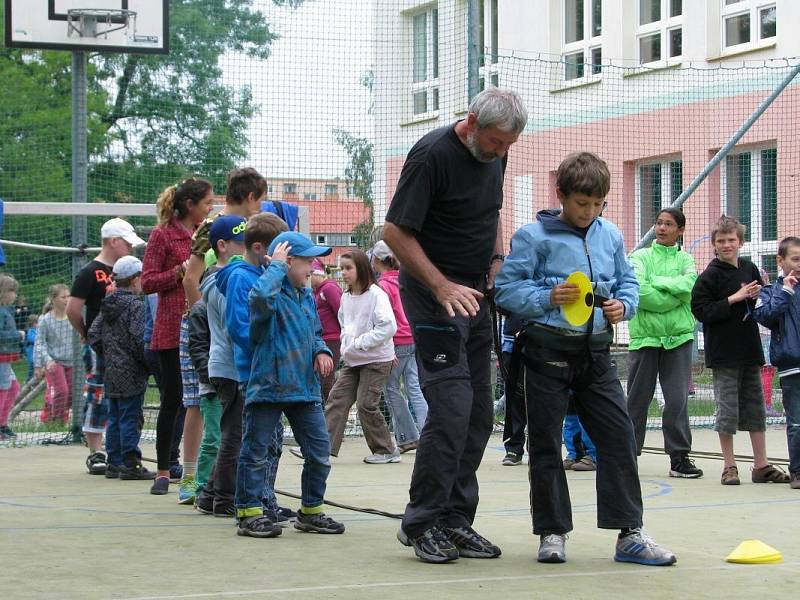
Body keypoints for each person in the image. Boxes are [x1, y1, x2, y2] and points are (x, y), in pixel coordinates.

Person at [495, 151, 676, 567]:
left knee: (619, 437)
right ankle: (552, 532)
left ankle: (629, 534)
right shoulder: (532, 236)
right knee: (544, 446)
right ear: (561, 194)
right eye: (581, 203)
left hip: (596, 355)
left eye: (598, 205)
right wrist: (545, 297)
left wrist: (624, 307)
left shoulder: (610, 234)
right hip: (545, 354)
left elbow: (628, 281)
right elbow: (504, 292)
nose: (589, 212)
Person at [383, 88, 526, 563]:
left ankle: (455, 520)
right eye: (496, 142)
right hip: (434, 296)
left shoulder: (494, 156)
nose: (500, 152)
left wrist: (498, 260)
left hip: (476, 296)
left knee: (479, 414)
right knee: (449, 408)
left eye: (508, 145)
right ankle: (422, 521)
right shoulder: (430, 156)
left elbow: (492, 214)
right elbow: (394, 232)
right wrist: (442, 286)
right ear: (471, 121)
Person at [235, 231, 344, 537]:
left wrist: (321, 350)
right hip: (269, 386)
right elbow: (258, 298)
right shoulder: (268, 295)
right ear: (287, 261)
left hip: (303, 389)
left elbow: (316, 333)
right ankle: (249, 513)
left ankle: (310, 512)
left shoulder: (305, 295)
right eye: (307, 260)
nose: (313, 267)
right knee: (256, 451)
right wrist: (276, 268)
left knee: (319, 450)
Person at [691, 216, 789, 486]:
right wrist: (735, 298)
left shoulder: (750, 268)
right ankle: (729, 465)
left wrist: (760, 296)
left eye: (731, 240)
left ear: (740, 242)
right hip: (723, 354)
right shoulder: (709, 276)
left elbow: (760, 304)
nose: (726, 245)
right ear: (714, 244)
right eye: (721, 241)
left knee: (755, 409)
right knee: (727, 411)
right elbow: (701, 311)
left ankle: (761, 465)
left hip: (750, 350)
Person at [215, 212, 294, 523]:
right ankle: (252, 504)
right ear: (261, 248)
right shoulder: (239, 278)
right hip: (255, 373)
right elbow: (239, 327)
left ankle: (266, 500)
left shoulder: (263, 274)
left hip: (273, 372)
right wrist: (266, 351)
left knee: (274, 442)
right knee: (258, 443)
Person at [142, 178, 214, 495]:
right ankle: (163, 469)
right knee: (173, 400)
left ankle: (194, 468)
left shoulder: (208, 233)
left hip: (202, 327)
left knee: (199, 401)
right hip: (171, 328)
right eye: (206, 203)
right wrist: (179, 272)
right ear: (189, 205)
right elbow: (146, 282)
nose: (210, 208)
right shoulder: (162, 234)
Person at [626, 208, 703, 479]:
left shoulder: (686, 259)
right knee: (636, 400)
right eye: (658, 222)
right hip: (645, 338)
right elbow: (640, 292)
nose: (661, 228)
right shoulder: (640, 257)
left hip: (679, 339)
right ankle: (627, 456)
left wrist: (658, 284)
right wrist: (673, 292)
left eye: (668, 224)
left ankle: (679, 457)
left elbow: (691, 287)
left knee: (677, 400)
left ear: (680, 230)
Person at [67, 217, 144, 474]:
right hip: (101, 344)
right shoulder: (90, 272)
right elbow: (73, 309)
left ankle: (117, 452)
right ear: (113, 241)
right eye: (126, 243)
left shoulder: (126, 271)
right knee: (99, 394)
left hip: (122, 349)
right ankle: (96, 451)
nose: (131, 248)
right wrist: (87, 334)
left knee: (118, 399)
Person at [194, 215, 251, 517]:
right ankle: (225, 499)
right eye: (241, 244)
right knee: (234, 434)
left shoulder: (222, 277)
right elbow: (236, 325)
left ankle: (210, 495)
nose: (247, 249)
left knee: (233, 430)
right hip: (230, 365)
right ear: (223, 245)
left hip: (226, 364)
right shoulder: (222, 281)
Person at [324, 249, 398, 463]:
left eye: (348, 268)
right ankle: (322, 448)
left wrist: (360, 343)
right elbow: (344, 325)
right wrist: (348, 347)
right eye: (342, 268)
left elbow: (388, 326)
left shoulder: (376, 294)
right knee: (337, 399)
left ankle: (385, 450)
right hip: (353, 360)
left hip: (376, 360)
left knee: (367, 403)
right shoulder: (346, 297)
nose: (344, 273)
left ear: (362, 269)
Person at [87, 256, 153, 480]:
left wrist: (109, 354)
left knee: (114, 416)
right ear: (134, 280)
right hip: (132, 371)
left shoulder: (108, 304)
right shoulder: (135, 306)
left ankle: (113, 463)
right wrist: (147, 363)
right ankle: (130, 463)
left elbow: (94, 334)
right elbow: (138, 339)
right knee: (130, 417)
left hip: (111, 371)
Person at [183, 167, 267, 308]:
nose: (262, 206)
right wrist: (203, 322)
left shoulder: (247, 224)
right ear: (251, 197)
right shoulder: (212, 227)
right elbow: (191, 279)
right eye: (261, 200)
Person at [372, 240, 428, 451]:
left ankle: (407, 436)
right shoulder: (406, 281)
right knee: (414, 388)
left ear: (377, 260)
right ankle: (426, 432)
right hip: (413, 339)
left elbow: (383, 320)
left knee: (392, 388)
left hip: (396, 343)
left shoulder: (383, 287)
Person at [754, 236, 800, 489]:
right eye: (795, 259)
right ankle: (797, 471)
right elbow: (766, 316)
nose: (799, 264)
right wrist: (786, 290)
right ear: (780, 261)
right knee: (796, 422)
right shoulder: (770, 292)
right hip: (792, 364)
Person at [34, 284, 79, 424]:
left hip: (73, 361)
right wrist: (43, 362)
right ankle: (57, 422)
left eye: (68, 296)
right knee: (61, 391)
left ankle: (48, 416)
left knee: (72, 394)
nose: (67, 299)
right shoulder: (45, 320)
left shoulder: (73, 316)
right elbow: (39, 342)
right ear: (53, 299)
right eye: (63, 297)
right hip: (54, 362)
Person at [310, 258, 342, 404]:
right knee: (324, 378)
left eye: (310, 274)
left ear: (317, 274)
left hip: (332, 339)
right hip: (323, 340)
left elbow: (341, 313)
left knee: (326, 378)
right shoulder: (316, 292)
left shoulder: (328, 288)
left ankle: (332, 412)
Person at [0, 274, 23, 440]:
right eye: (12, 291)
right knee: (3, 388)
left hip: (6, 355)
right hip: (1, 356)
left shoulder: (6, 310)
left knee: (14, 387)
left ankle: (3, 423)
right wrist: (18, 335)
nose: (14, 295)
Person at [24, 314, 38, 383]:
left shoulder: (38, 330)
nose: (38, 324)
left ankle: (35, 382)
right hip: (31, 353)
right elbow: (31, 339)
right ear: (32, 324)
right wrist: (39, 338)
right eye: (36, 323)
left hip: (37, 354)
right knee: (31, 368)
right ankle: (28, 381)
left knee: (36, 368)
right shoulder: (31, 331)